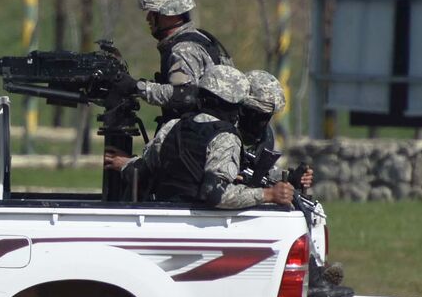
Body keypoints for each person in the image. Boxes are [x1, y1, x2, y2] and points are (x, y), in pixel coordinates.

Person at [103, 66, 295, 208]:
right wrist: (268, 194)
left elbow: (144, 169)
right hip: (199, 226)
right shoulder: (225, 138)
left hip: (162, 219)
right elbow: (215, 194)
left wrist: (126, 164)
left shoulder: (172, 126)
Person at [113, 0, 233, 124]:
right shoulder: (201, 38)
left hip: (197, 137)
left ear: (169, 13)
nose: (148, 18)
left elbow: (182, 96)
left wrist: (136, 87)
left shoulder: (183, 49)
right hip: (210, 132)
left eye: (153, 12)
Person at [237, 70, 313, 191]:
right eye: (258, 114)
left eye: (267, 116)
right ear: (243, 109)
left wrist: (291, 178)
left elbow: (261, 173)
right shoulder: (224, 134)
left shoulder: (264, 138)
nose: (262, 123)